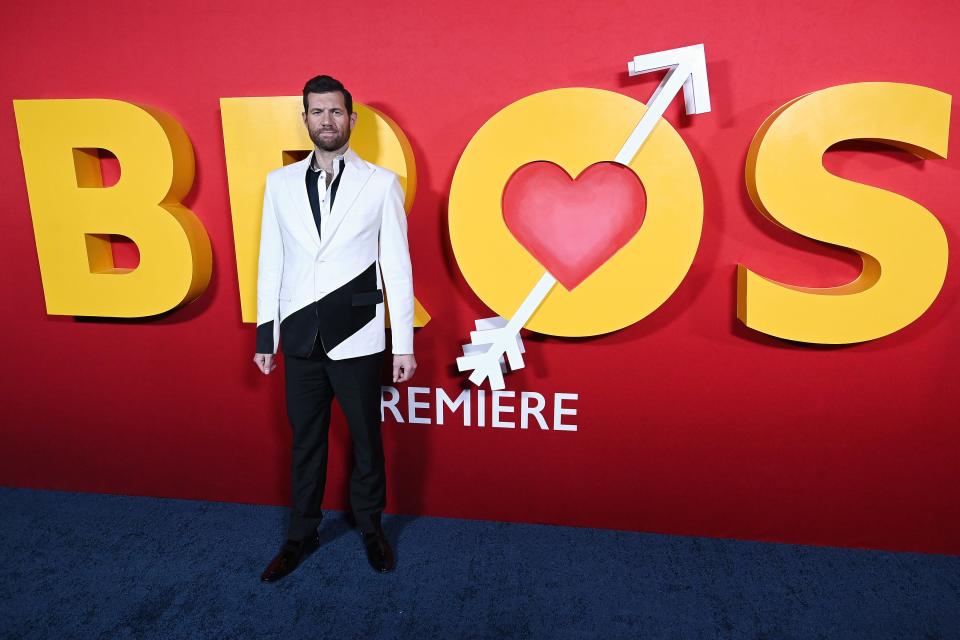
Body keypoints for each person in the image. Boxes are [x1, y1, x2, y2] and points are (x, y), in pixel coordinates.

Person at [253, 75, 416, 581]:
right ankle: (300, 535)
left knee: (367, 438)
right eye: (317, 112)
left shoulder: (382, 183)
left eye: (336, 112)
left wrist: (402, 343)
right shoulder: (278, 185)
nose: (327, 120)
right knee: (306, 441)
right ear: (305, 119)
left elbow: (398, 265)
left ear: (352, 119)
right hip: (300, 336)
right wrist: (266, 335)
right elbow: (270, 261)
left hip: (359, 334)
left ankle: (371, 527)